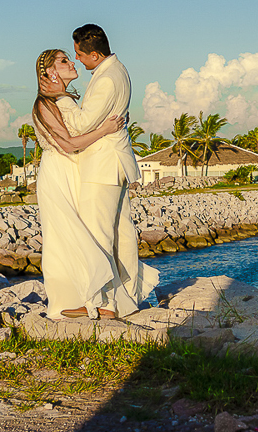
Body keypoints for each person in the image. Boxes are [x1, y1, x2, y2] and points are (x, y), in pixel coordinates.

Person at [47, 24, 159, 319]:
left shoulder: (107, 79)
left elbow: (82, 124)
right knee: (121, 234)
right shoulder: (116, 71)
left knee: (97, 236)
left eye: (79, 55)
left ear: (94, 54)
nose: (78, 61)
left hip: (103, 166)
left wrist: (61, 97)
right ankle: (125, 299)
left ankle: (99, 303)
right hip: (114, 163)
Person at [32, 48, 126, 320]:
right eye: (63, 61)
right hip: (58, 174)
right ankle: (64, 303)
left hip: (76, 171)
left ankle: (91, 300)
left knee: (84, 233)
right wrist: (105, 130)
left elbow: (81, 127)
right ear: (50, 72)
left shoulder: (64, 100)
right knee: (65, 237)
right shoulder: (43, 104)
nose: (71, 63)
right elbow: (69, 144)